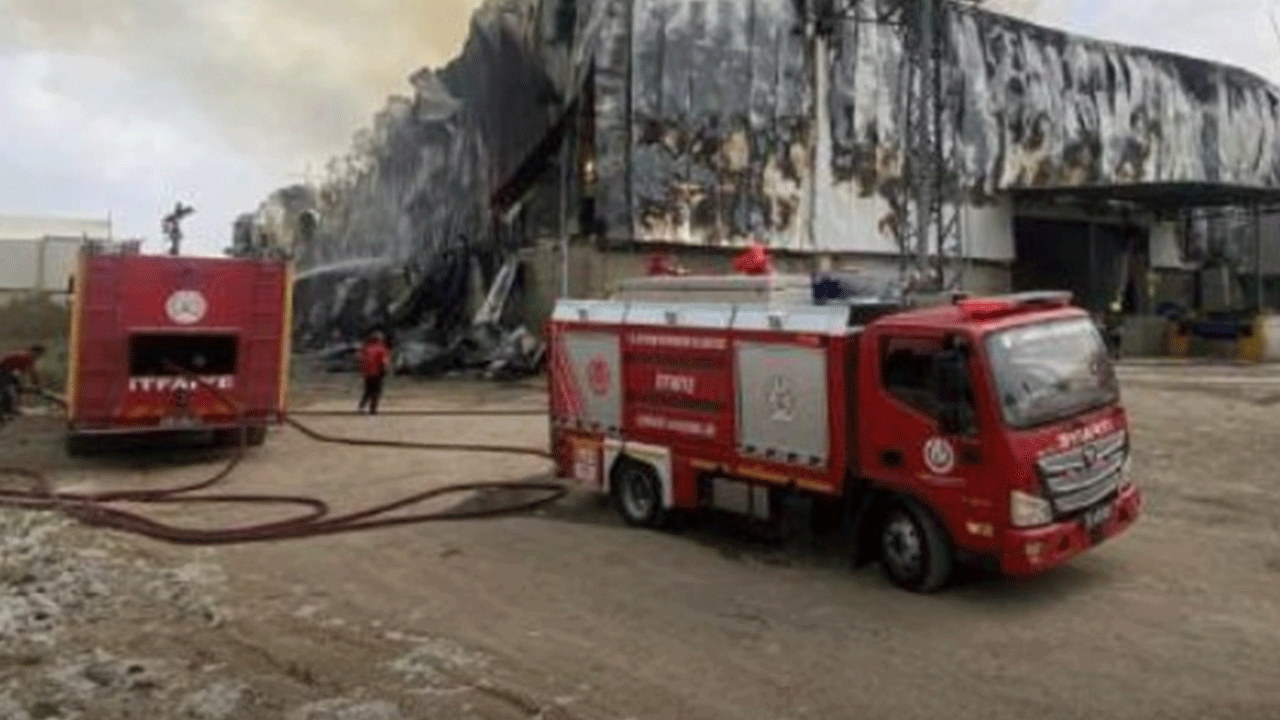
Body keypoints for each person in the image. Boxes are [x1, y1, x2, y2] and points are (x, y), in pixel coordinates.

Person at [0, 344, 45, 419]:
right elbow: (32, 372)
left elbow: (28, 372)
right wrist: (36, 384)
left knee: (15, 389)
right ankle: (6, 411)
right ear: (35, 352)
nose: (38, 357)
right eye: (39, 354)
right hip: (4, 372)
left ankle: (10, 409)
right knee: (9, 391)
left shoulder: (25, 356)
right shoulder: (28, 357)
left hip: (9, 372)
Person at [357, 331, 390, 415]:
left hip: (367, 374)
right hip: (377, 373)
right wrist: (385, 371)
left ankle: (362, 406)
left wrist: (363, 371)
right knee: (376, 392)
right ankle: (373, 409)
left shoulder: (365, 348)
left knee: (367, 390)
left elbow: (361, 361)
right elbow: (383, 362)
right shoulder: (381, 349)